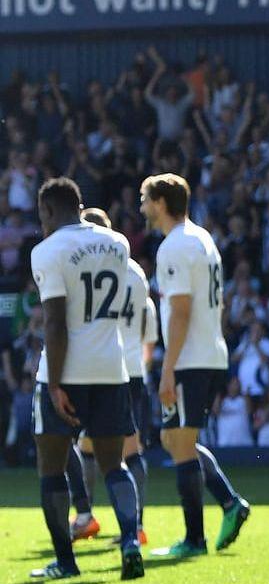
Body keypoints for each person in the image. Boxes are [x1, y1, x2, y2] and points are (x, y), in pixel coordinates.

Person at [28, 178, 143, 580]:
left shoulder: (47, 251)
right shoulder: (118, 243)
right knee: (115, 464)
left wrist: (56, 384)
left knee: (51, 467)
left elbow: (56, 324)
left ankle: (65, 562)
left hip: (67, 371)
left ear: (47, 210)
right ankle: (131, 540)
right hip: (112, 368)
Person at [141, 173, 251, 558]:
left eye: (145, 199)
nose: (141, 207)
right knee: (176, 440)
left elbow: (181, 312)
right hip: (208, 352)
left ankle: (194, 539)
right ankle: (230, 502)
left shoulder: (175, 246)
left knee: (181, 445)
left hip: (190, 358)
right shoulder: (202, 238)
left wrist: (167, 369)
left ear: (160, 203)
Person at [69, 207, 156, 548]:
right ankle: (121, 522)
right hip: (132, 368)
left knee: (97, 447)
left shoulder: (94, 266)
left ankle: (100, 518)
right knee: (102, 447)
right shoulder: (135, 271)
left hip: (105, 367)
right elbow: (146, 323)